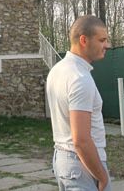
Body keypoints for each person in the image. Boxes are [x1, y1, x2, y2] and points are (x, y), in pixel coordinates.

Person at [46, 15, 112, 191]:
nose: (107, 45)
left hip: (63, 159)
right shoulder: (79, 78)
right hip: (82, 165)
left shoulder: (57, 70)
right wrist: (102, 177)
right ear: (84, 40)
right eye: (102, 40)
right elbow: (81, 140)